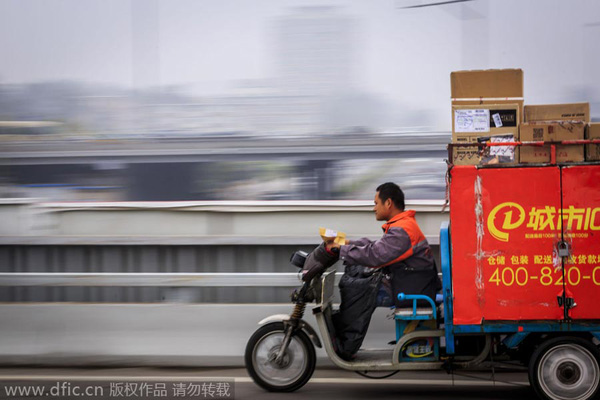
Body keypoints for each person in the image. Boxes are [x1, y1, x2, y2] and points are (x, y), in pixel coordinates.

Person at [325, 182, 440, 359]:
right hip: (408, 282)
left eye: (376, 203)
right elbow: (377, 247)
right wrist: (346, 244)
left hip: (411, 289)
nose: (374, 208)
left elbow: (376, 255)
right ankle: (343, 333)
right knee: (353, 278)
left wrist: (340, 250)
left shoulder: (402, 230)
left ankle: (346, 346)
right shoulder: (402, 225)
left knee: (358, 290)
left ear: (388, 203)